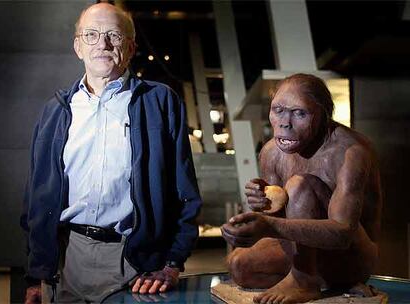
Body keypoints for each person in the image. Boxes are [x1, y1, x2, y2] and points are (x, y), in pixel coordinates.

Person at [20, 3, 201, 303]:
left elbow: (185, 192)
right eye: (91, 35)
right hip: (66, 261)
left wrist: (171, 263)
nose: (102, 44)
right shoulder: (54, 111)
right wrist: (37, 272)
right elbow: (35, 199)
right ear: (78, 46)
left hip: (135, 265)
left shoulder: (159, 103)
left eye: (113, 36)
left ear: (130, 47)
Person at [221, 73, 382, 304]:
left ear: (323, 115)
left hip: (351, 256)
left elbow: (343, 234)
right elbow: (280, 218)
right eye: (279, 110)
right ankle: (315, 279)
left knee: (299, 185)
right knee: (239, 266)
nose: (285, 123)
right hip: (305, 250)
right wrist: (262, 206)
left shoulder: (350, 152)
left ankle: (304, 282)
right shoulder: (271, 152)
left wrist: (269, 225)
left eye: (299, 113)